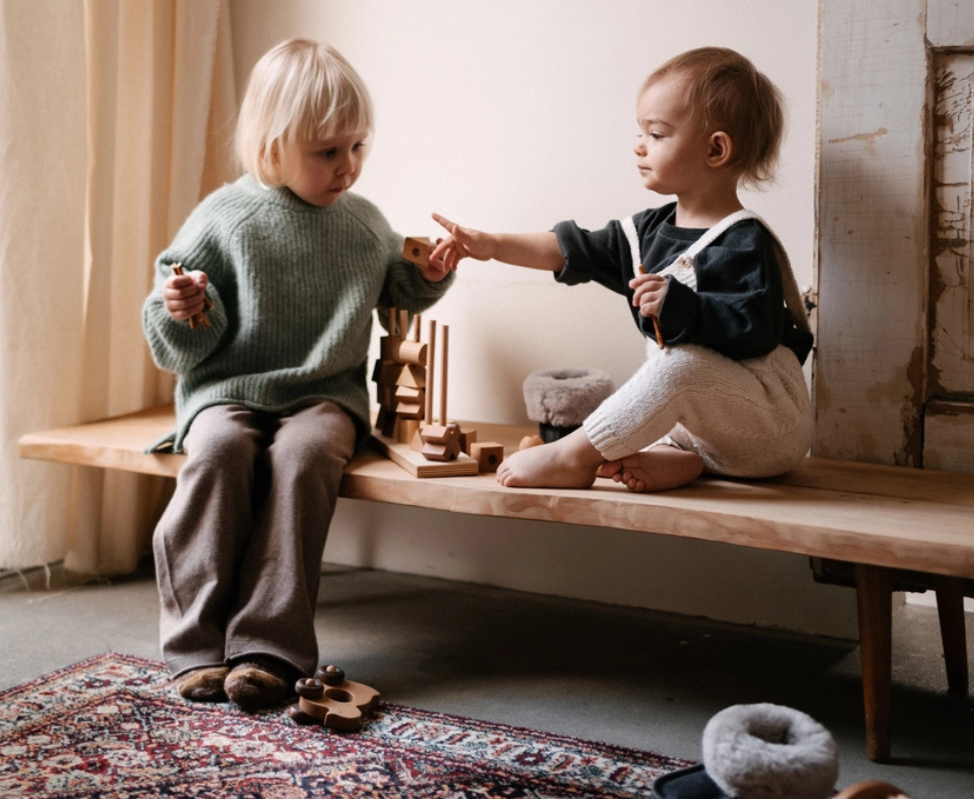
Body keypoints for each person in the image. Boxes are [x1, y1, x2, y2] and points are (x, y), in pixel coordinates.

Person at [142, 38, 453, 710]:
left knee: (307, 455)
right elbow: (172, 334)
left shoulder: (365, 225)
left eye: (358, 147)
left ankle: (268, 646)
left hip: (324, 394)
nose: (348, 167)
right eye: (327, 151)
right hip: (229, 389)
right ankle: (196, 643)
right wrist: (184, 307)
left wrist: (430, 274)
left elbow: (400, 288)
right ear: (273, 146)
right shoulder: (224, 219)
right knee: (220, 450)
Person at [429, 46, 813, 494]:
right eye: (641, 132)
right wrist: (492, 246)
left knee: (680, 367)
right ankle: (681, 459)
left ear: (715, 149)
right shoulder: (648, 231)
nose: (639, 145)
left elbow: (759, 331)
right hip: (707, 431)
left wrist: (682, 306)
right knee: (668, 377)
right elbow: (570, 249)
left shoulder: (743, 241)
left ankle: (573, 455)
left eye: (656, 134)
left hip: (766, 428)